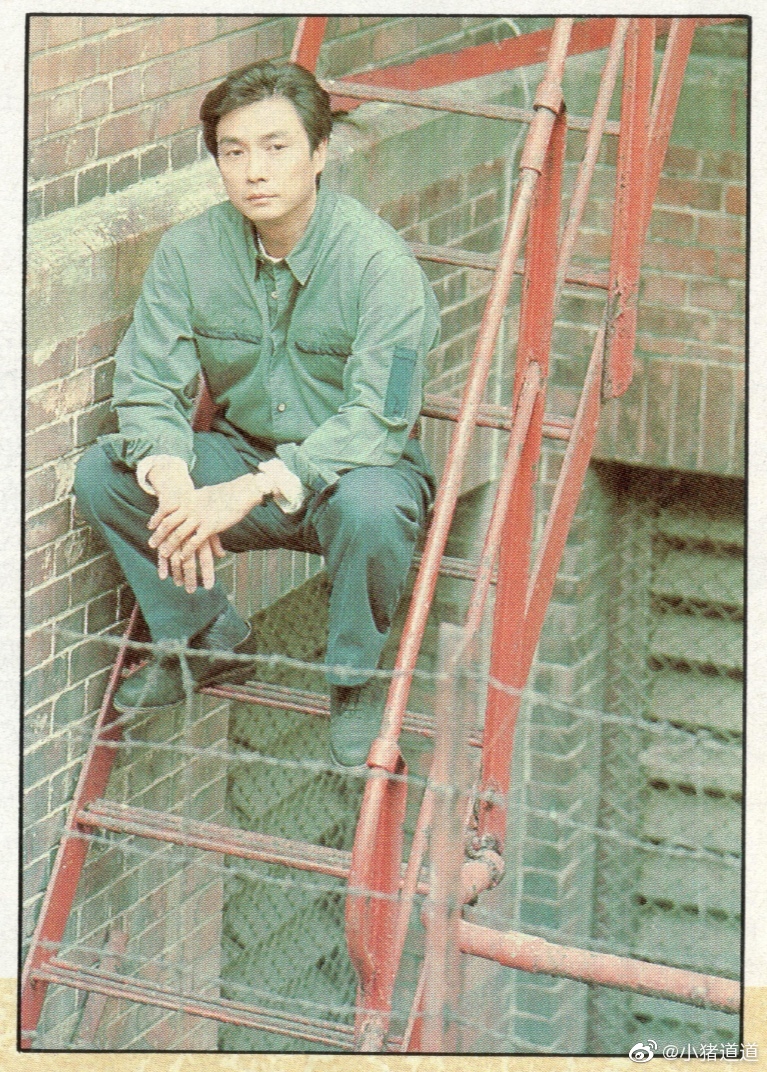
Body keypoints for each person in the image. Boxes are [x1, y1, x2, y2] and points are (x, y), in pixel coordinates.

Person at [74, 60, 440, 767]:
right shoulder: (190, 251)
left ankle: (353, 681)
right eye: (233, 151)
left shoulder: (380, 265)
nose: (254, 172)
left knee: (372, 510)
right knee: (104, 474)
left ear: (319, 152)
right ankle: (207, 637)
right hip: (240, 452)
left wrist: (248, 490)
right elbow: (147, 383)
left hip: (353, 472)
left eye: (276, 147)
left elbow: (379, 418)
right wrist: (175, 485)